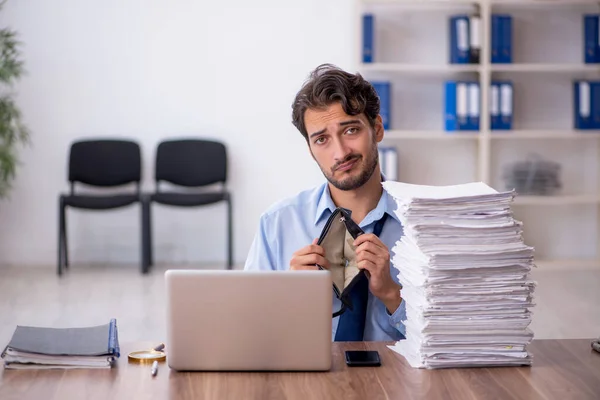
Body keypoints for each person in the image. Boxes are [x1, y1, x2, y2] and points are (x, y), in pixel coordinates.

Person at [244, 63, 405, 341]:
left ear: (377, 129)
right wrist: (289, 297)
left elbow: (449, 340)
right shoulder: (277, 223)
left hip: (398, 380)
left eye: (351, 130)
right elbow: (248, 331)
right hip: (307, 379)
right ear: (310, 149)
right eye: (322, 140)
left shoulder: (424, 224)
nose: (340, 152)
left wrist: (392, 294)